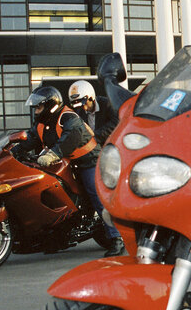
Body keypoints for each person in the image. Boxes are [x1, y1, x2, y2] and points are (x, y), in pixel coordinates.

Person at [13, 85, 125, 257]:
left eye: (39, 107)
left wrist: (52, 154)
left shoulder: (68, 117)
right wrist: (12, 151)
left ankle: (116, 237)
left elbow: (68, 139)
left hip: (88, 161)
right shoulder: (41, 124)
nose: (36, 111)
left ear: (50, 105)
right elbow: (31, 139)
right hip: (67, 163)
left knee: (95, 193)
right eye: (35, 108)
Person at [68, 80, 119, 145]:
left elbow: (117, 122)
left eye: (84, 102)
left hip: (110, 145)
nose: (82, 107)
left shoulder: (107, 104)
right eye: (78, 104)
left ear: (91, 97)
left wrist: (96, 135)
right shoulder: (79, 113)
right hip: (91, 148)